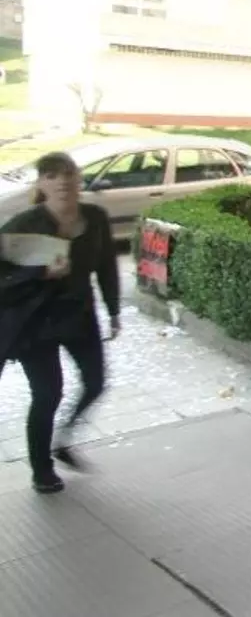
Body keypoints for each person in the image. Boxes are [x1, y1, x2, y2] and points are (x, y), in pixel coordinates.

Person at [0, 151, 121, 493]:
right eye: (52, 175)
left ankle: (63, 439)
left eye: (69, 173)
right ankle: (42, 470)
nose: (63, 181)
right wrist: (41, 273)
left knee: (95, 383)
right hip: (35, 321)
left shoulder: (95, 217)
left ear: (79, 179)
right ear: (41, 184)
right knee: (47, 394)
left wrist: (113, 310)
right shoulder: (24, 224)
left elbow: (107, 265)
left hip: (79, 315)